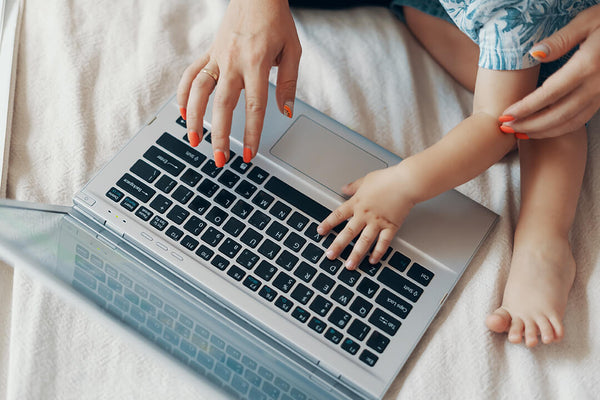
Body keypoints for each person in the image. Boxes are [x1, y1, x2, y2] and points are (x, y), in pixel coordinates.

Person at [177, 0, 600, 347]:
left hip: (541, 32)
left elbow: (497, 125)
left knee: (544, 108)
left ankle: (543, 245)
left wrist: (404, 182)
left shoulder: (512, 10)